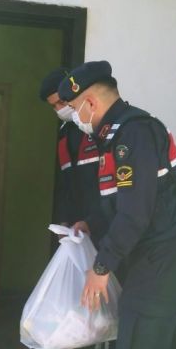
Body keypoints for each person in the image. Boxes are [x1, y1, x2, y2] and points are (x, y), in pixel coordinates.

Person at [57, 61, 176, 349]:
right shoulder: (113, 136)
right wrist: (92, 222)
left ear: (90, 103)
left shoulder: (134, 134)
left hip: (165, 255)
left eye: (75, 108)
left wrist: (101, 268)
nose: (75, 117)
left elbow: (135, 212)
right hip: (151, 254)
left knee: (138, 338)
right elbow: (119, 199)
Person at [39, 67, 101, 233]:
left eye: (61, 102)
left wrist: (92, 222)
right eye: (54, 106)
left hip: (103, 225)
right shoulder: (64, 134)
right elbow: (65, 185)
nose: (59, 109)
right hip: (76, 229)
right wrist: (64, 221)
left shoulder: (97, 126)